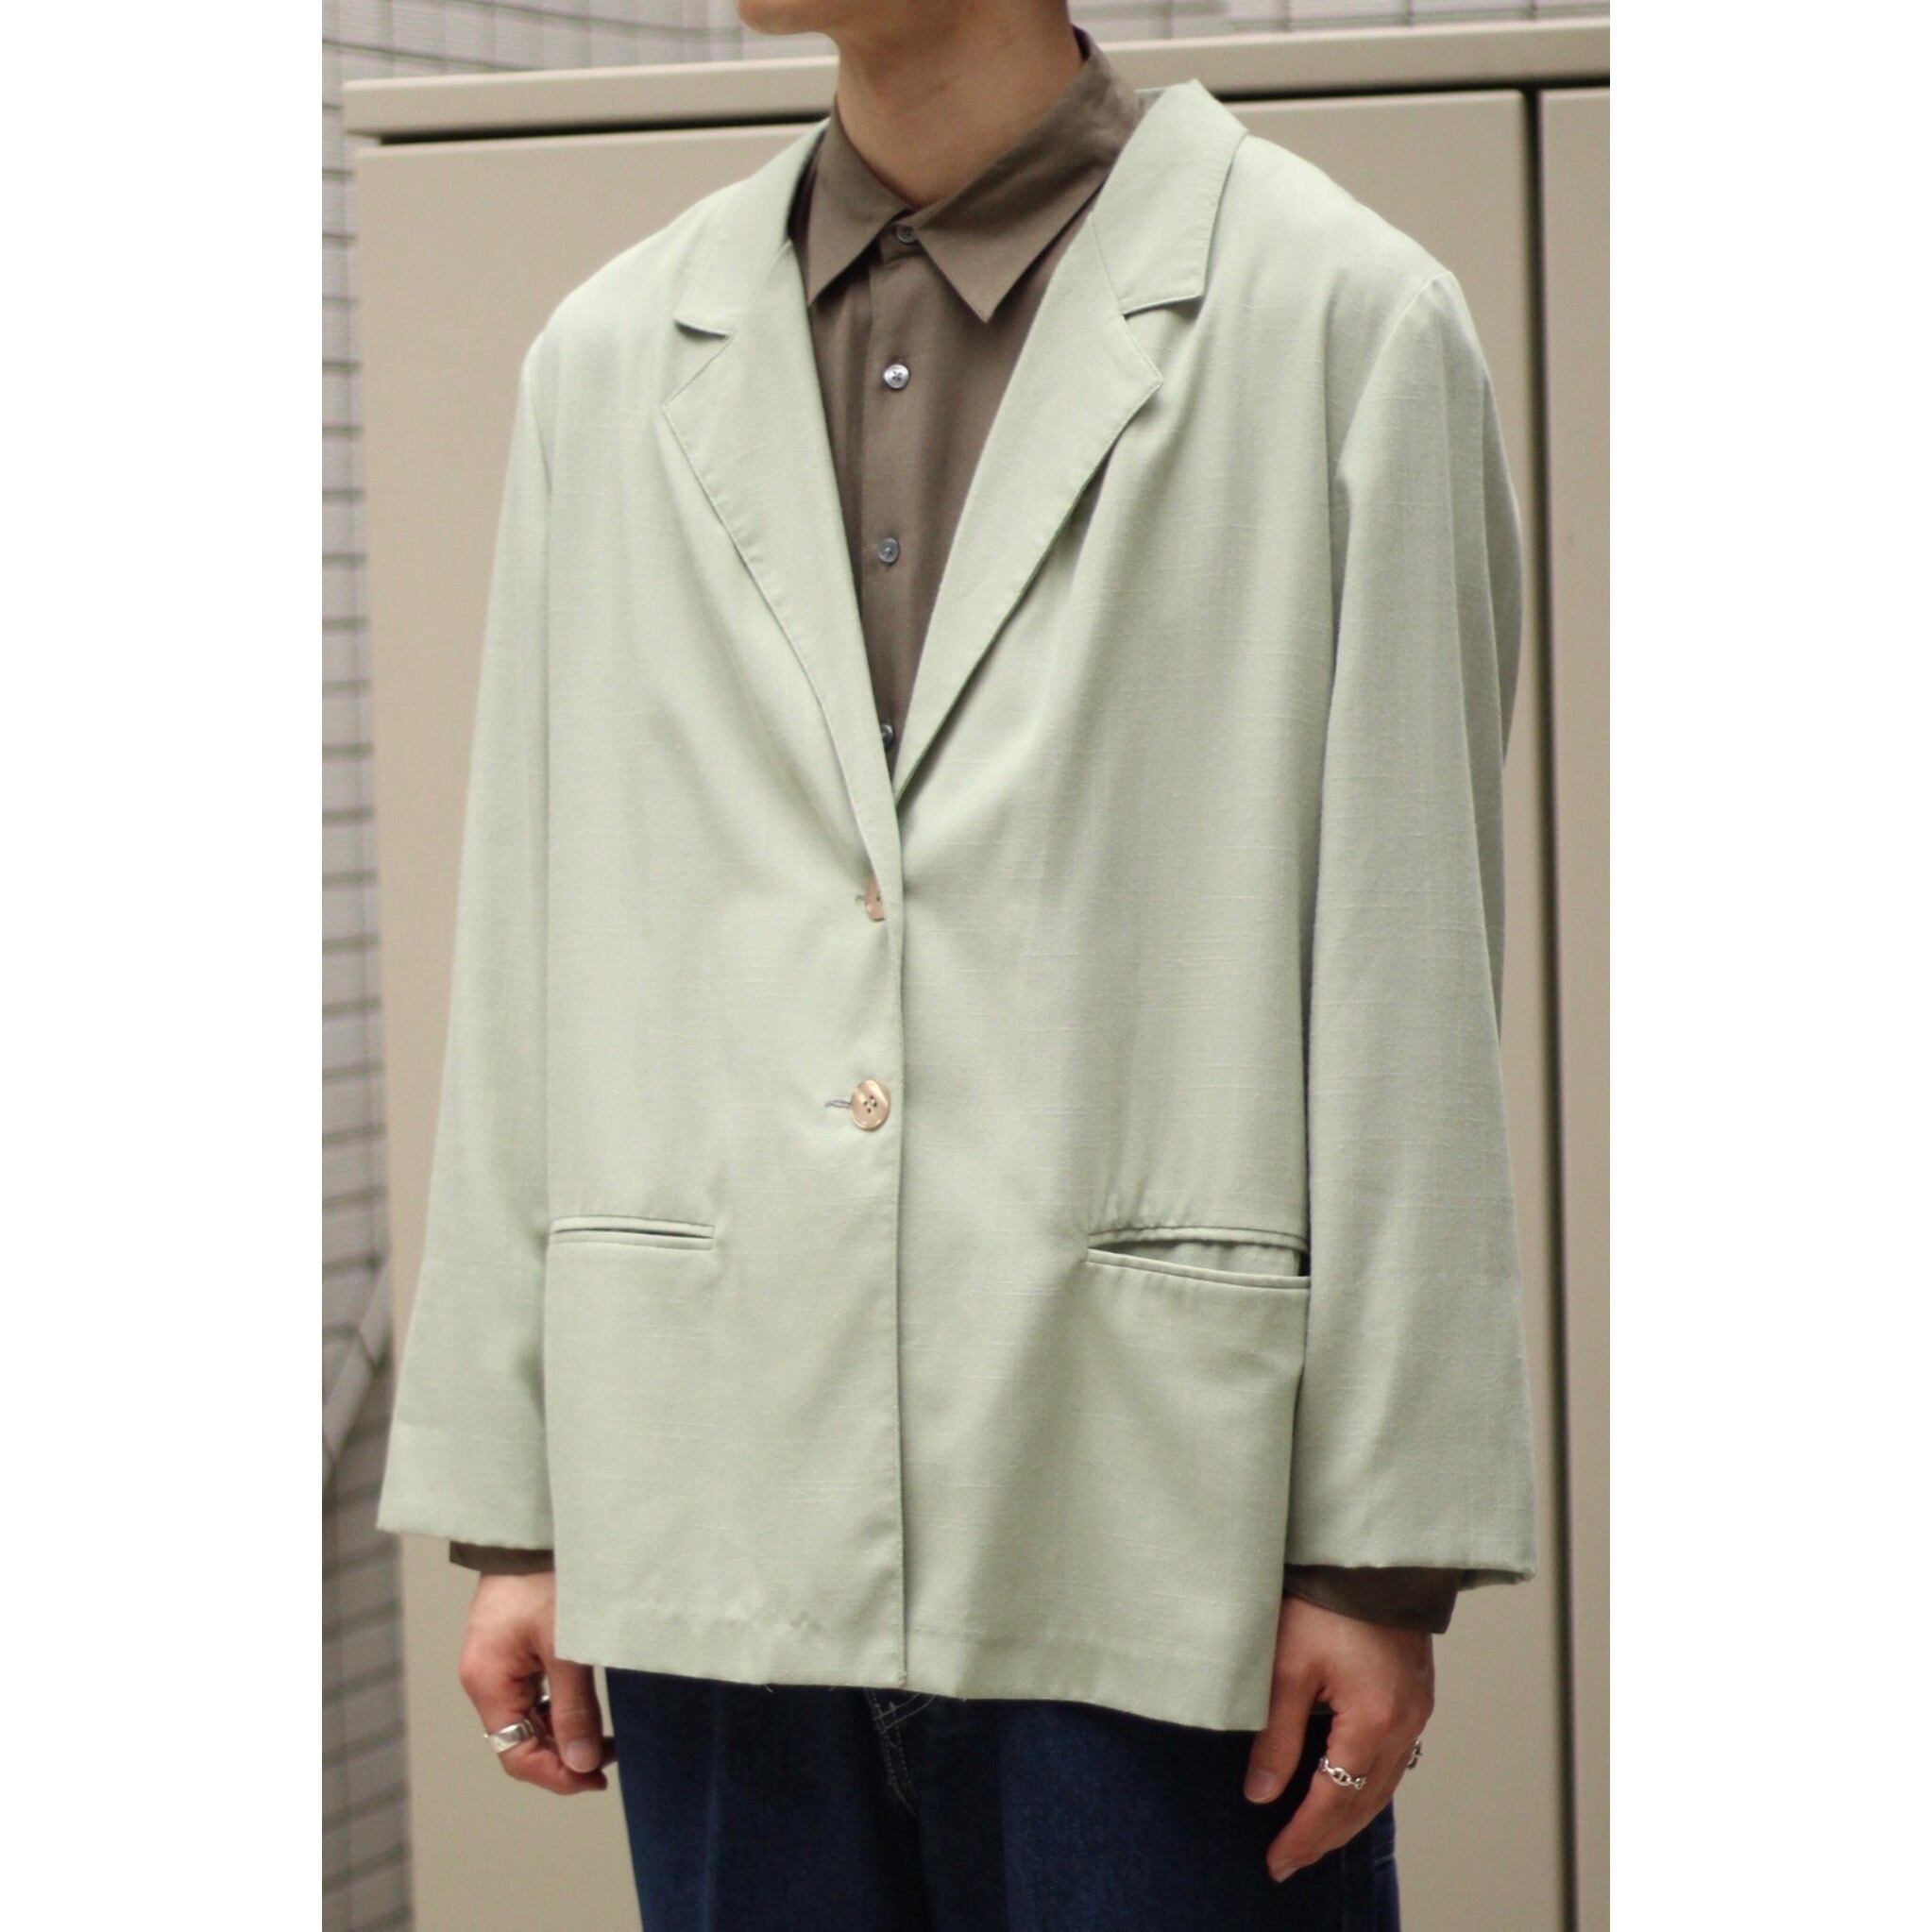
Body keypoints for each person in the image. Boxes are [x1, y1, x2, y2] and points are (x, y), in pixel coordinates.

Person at [378, 4, 1537, 1924]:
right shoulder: (611, 352)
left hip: (1150, 1508)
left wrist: (1375, 1551)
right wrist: (517, 1501)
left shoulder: (1338, 318)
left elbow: (1407, 971)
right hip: (713, 1488)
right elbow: (532, 926)